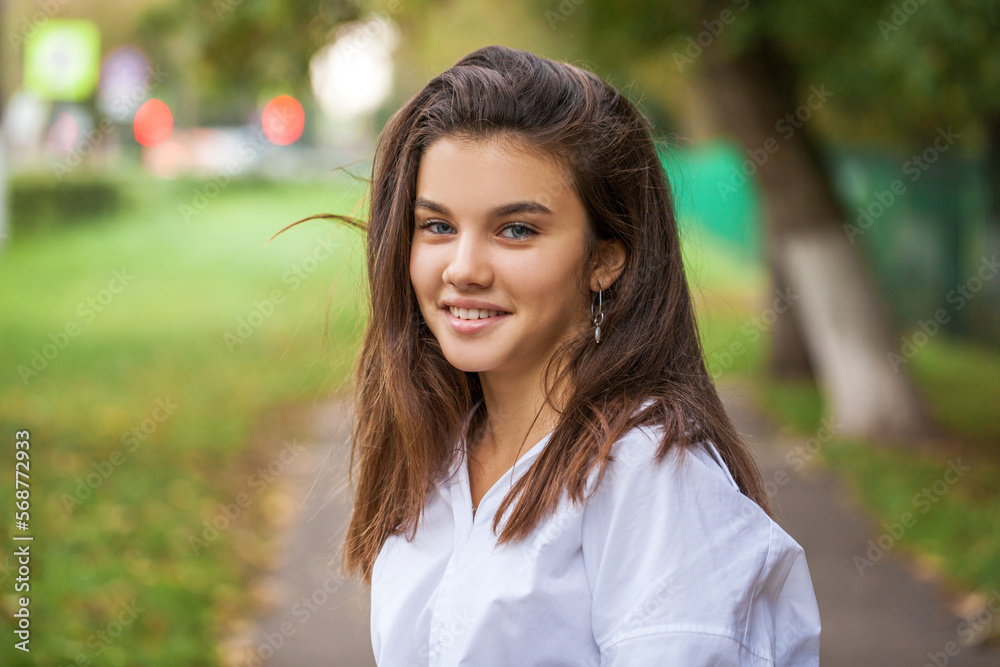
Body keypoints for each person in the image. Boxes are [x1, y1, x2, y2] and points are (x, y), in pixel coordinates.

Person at [328, 44, 821, 665]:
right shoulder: (440, 449)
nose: (463, 269)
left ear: (605, 258)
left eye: (517, 230)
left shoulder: (649, 473)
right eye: (437, 226)